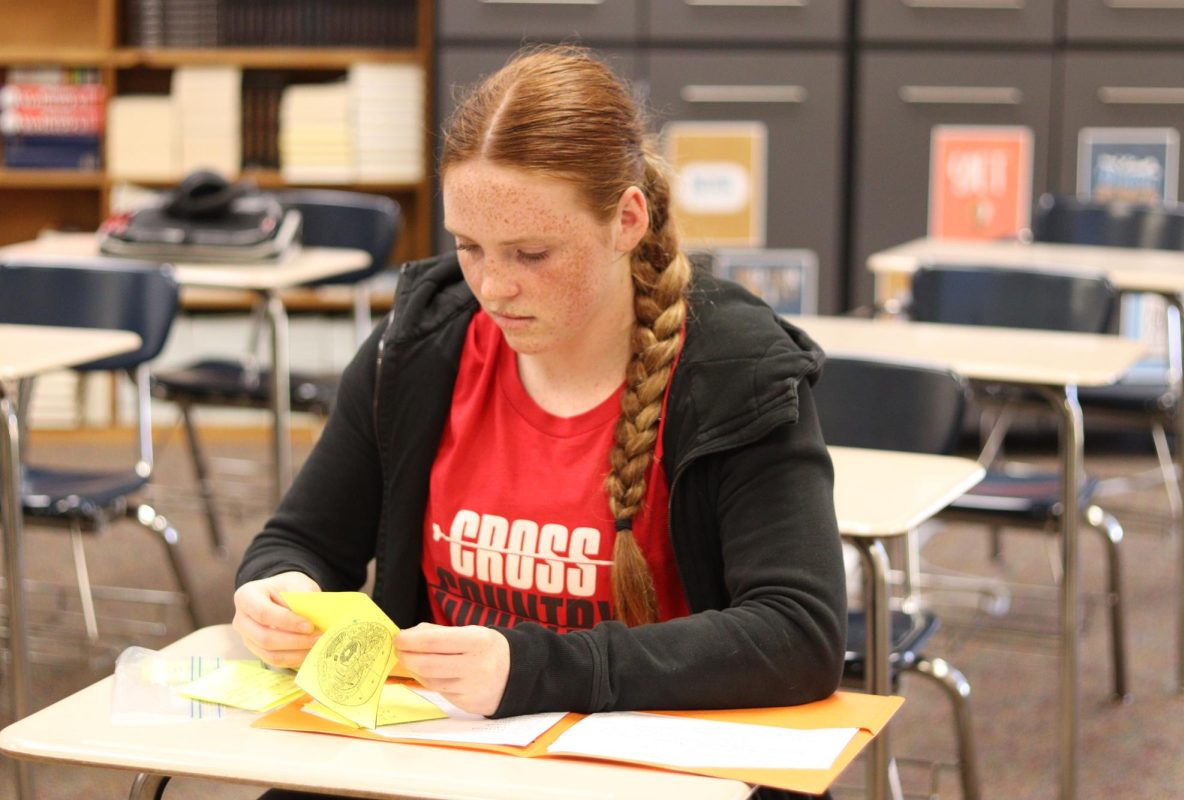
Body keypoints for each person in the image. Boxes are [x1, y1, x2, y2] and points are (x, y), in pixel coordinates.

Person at [232, 45, 846, 799]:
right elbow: (304, 539)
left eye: (531, 253)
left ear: (626, 220)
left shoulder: (733, 372)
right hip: (438, 761)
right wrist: (276, 589)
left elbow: (797, 632)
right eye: (469, 248)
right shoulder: (423, 344)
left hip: (644, 770)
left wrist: (533, 668)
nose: (494, 286)